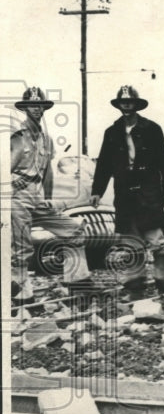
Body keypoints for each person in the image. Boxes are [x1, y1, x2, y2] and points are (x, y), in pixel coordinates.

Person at [90, 85, 164, 296]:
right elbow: (104, 165)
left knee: (157, 241)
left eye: (130, 102)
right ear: (119, 105)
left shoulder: (152, 129)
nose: (126, 105)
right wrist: (97, 191)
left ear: (136, 105)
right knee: (131, 242)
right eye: (123, 102)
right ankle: (135, 283)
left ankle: (163, 281)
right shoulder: (112, 133)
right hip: (125, 192)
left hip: (149, 192)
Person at [10, 86, 92, 303]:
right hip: (17, 197)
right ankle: (21, 298)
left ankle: (78, 283)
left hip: (36, 198)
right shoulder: (17, 137)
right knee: (21, 248)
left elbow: (47, 172)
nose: (36, 109)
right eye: (32, 105)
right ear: (25, 108)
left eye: (40, 105)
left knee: (74, 230)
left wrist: (48, 198)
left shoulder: (47, 140)